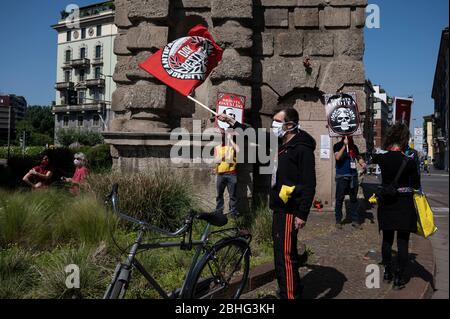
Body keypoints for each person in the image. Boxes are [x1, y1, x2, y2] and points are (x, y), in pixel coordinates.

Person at [219, 107, 316, 299]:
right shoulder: (281, 143)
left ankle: (289, 295)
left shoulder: (302, 149)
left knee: (285, 257)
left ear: (289, 125)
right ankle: (290, 290)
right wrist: (233, 123)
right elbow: (255, 136)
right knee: (281, 254)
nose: (273, 125)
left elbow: (309, 184)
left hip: (289, 211)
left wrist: (302, 214)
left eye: (277, 121)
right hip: (279, 207)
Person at [372, 123, 421, 290]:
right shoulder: (409, 161)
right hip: (404, 203)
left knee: (387, 240)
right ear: (404, 139)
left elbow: (370, 162)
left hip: (387, 202)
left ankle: (387, 272)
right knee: (402, 242)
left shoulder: (382, 158)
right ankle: (399, 277)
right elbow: (415, 184)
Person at [333, 136, 366, 229]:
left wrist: (362, 163)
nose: (350, 138)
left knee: (353, 199)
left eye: (351, 136)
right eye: (348, 137)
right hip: (342, 177)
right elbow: (338, 157)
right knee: (339, 199)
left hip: (353, 176)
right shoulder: (337, 146)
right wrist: (344, 146)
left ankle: (355, 220)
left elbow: (358, 157)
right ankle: (338, 220)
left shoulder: (354, 147)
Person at [214, 131, 239, 217]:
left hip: (232, 174)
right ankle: (218, 213)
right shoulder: (217, 147)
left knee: (233, 196)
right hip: (220, 175)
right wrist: (224, 156)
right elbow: (216, 161)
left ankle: (233, 214)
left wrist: (231, 140)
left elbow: (238, 150)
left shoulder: (232, 146)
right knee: (219, 195)